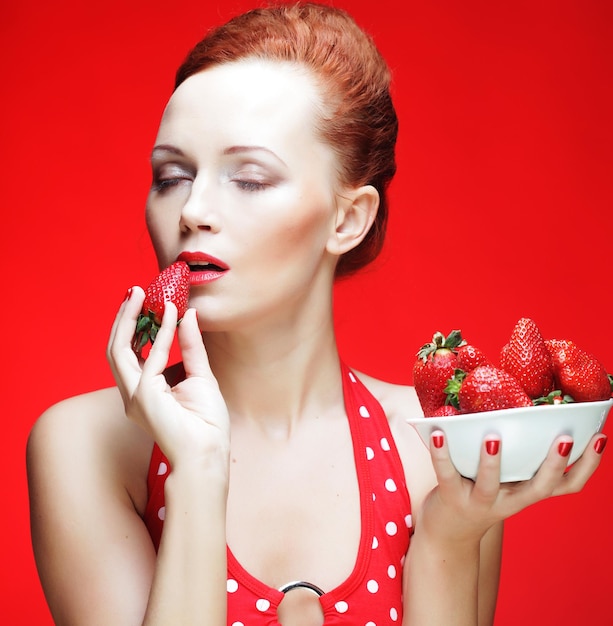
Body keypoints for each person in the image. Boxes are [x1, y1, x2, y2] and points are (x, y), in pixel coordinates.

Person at [26, 3, 607, 625]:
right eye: (171, 175)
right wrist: (195, 472)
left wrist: (449, 539)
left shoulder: (438, 450)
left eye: (247, 178)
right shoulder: (85, 446)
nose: (193, 209)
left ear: (347, 219)